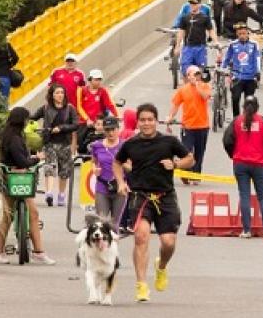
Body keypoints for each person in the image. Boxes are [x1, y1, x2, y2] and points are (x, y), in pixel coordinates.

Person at [114, 103, 194, 302]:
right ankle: (141, 285)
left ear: (156, 121)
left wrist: (175, 164)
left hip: (165, 196)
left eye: (150, 120)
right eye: (142, 120)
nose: (146, 123)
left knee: (168, 242)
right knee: (141, 237)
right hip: (140, 196)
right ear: (137, 122)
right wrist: (121, 182)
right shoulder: (131, 144)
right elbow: (117, 162)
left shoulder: (169, 141)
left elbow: (190, 159)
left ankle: (161, 266)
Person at [0, 107, 55, 265]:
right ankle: (38, 252)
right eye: (26, 119)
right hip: (19, 179)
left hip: (7, 177)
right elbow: (22, 161)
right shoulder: (16, 139)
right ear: (21, 120)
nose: (27, 122)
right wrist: (37, 158)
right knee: (33, 214)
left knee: (7, 216)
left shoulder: (8, 135)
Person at [223, 95, 263, 238]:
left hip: (240, 163)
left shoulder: (237, 121)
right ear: (257, 108)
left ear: (243, 107)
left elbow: (227, 141)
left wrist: (234, 155)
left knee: (244, 196)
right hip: (259, 163)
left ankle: (246, 230)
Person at [32, 84, 79, 207]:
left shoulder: (70, 108)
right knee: (50, 167)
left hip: (65, 143)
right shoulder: (45, 108)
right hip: (49, 143)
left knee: (64, 171)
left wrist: (61, 128)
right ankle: (49, 193)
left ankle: (61, 194)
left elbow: (75, 125)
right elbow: (33, 118)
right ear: (52, 95)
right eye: (57, 93)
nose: (60, 95)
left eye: (62, 93)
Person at [166, 64, 211, 184]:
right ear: (188, 76)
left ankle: (196, 176)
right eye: (193, 74)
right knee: (186, 152)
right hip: (188, 126)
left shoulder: (205, 86)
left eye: (198, 74)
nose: (196, 76)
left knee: (199, 153)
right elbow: (176, 105)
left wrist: (197, 85)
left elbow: (205, 96)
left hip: (203, 126)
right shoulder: (183, 90)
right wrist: (170, 117)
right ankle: (186, 173)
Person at [89, 116, 127, 227]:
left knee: (115, 224)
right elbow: (93, 161)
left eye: (113, 129)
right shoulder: (97, 145)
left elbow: (131, 167)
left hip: (119, 187)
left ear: (118, 129)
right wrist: (94, 169)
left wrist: (121, 164)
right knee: (101, 222)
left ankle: (114, 238)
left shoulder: (125, 145)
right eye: (107, 130)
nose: (110, 133)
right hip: (102, 186)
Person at [222, 23, 262, 118]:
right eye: (240, 34)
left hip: (250, 77)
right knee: (235, 98)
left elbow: (257, 58)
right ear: (237, 34)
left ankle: (248, 118)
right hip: (237, 76)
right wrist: (223, 69)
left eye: (244, 33)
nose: (242, 36)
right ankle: (236, 118)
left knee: (249, 100)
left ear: (248, 33)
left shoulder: (254, 44)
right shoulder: (233, 44)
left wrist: (258, 72)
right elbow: (227, 58)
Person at [175, 0, 216, 78]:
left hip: (200, 48)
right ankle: (187, 86)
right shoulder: (185, 18)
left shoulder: (205, 18)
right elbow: (181, 32)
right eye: (191, 4)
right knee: (185, 72)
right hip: (188, 48)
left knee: (199, 72)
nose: (193, 6)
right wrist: (177, 46)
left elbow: (211, 30)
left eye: (195, 4)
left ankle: (197, 85)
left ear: (200, 5)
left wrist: (216, 41)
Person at [76, 68, 118, 139]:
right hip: (85, 122)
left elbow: (110, 104)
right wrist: (87, 119)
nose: (98, 82)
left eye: (99, 80)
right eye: (96, 80)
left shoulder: (103, 91)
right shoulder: (81, 90)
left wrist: (117, 115)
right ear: (90, 79)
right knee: (81, 142)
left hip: (99, 123)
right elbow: (79, 107)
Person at [49, 53, 86, 118]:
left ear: (76, 62)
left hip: (73, 105)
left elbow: (83, 91)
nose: (70, 63)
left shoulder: (80, 74)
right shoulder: (56, 72)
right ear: (65, 62)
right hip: (58, 105)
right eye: (68, 61)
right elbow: (50, 88)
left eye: (72, 61)